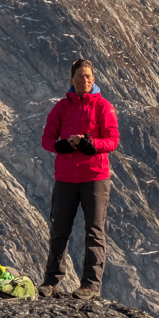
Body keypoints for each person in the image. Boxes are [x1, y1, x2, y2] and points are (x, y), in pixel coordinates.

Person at [38, 58, 118, 299]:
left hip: (95, 177)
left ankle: (90, 286)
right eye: (81, 76)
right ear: (72, 79)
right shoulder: (61, 108)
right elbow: (47, 139)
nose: (86, 80)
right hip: (66, 179)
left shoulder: (103, 106)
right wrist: (61, 145)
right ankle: (51, 282)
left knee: (94, 231)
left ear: (94, 80)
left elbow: (113, 140)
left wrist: (90, 144)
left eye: (89, 77)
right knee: (59, 230)